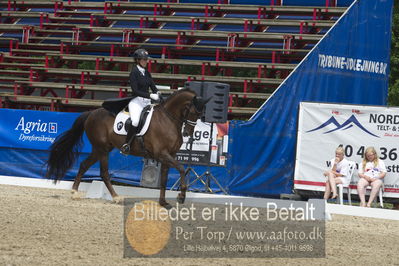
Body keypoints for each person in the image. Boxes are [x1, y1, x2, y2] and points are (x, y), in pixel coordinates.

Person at [120, 48, 160, 154]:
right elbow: (135, 90)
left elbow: (153, 86)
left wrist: (157, 93)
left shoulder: (147, 72)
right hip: (136, 101)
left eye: (146, 60)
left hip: (147, 102)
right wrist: (150, 95)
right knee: (135, 121)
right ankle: (126, 145)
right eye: (144, 60)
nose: (146, 61)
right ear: (138, 60)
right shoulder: (134, 73)